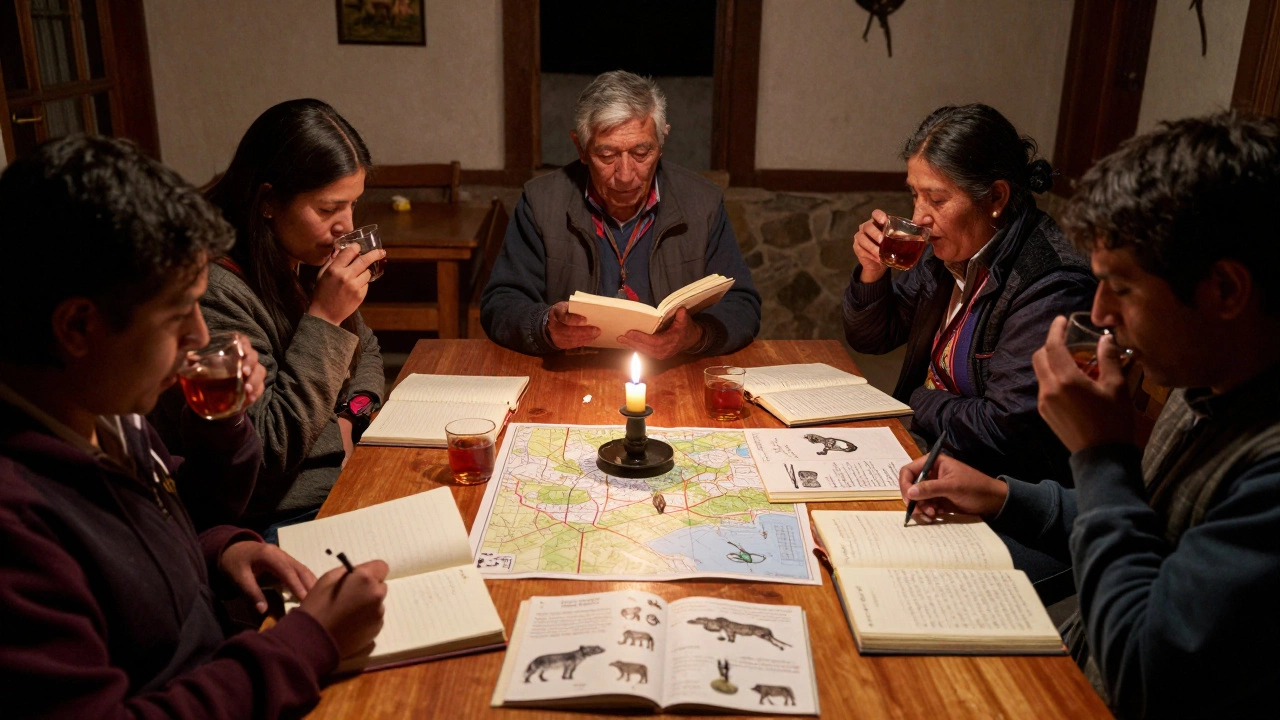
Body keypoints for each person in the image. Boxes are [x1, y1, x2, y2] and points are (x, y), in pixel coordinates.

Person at [897, 113, 1280, 718]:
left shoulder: (1267, 470)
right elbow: (1154, 519)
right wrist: (1000, 495)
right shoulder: (1206, 382)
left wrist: (1101, 457)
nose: (1098, 312)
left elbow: (1141, 671)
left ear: (1226, 292)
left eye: (1120, 287)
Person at [0, 135, 388, 717]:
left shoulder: (105, 411)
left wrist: (219, 549)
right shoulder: (17, 523)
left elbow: (158, 519)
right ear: (77, 327)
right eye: (179, 314)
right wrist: (309, 642)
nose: (201, 339)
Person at [152, 98, 387, 535]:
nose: (345, 225)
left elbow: (366, 349)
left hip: (337, 483)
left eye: (352, 205)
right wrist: (323, 318)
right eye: (327, 209)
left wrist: (350, 416)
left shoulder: (291, 255)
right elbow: (267, 451)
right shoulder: (212, 290)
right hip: (275, 518)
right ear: (268, 202)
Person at [843, 104, 1096, 484]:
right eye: (915, 195)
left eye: (937, 199)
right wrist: (873, 273)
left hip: (996, 487)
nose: (920, 216)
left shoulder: (1050, 284)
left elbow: (1004, 428)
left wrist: (914, 400)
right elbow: (872, 338)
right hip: (934, 451)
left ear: (995, 198)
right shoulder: (948, 252)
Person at [481, 70, 761, 359]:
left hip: (670, 377)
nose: (625, 176)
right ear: (581, 147)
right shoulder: (541, 203)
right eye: (607, 155)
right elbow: (500, 303)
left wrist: (694, 336)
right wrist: (544, 327)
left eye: (641, 153)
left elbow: (742, 305)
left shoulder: (703, 203)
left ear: (662, 142)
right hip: (570, 375)